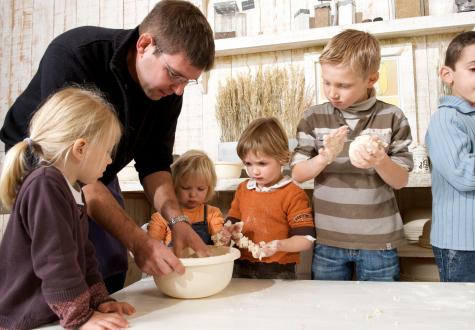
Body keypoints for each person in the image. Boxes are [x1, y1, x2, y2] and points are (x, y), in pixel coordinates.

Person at [0, 0, 215, 292]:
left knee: (110, 261)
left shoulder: (168, 93)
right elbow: (73, 172)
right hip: (44, 164)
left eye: (187, 82)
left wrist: (178, 221)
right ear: (144, 44)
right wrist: (139, 242)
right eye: (174, 75)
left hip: (95, 168)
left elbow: (155, 165)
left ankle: (102, 308)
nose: (178, 90)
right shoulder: (75, 54)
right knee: (61, 258)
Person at [0, 87, 135, 329]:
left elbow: (84, 253)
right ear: (80, 148)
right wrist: (80, 317)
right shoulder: (45, 185)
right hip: (24, 320)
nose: (110, 160)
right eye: (106, 150)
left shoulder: (70, 188)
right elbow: (56, 259)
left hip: (47, 316)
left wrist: (99, 301)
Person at [291, 29, 413, 281]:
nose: (332, 93)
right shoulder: (314, 117)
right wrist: (325, 156)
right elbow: (298, 174)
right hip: (328, 241)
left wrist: (380, 160)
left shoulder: (392, 117)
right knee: (330, 314)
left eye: (343, 85)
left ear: (371, 79)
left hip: (379, 243)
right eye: (327, 82)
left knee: (379, 312)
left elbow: (400, 180)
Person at [223, 117, 315, 279]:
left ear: (282, 158)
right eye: (248, 164)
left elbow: (305, 239)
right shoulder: (243, 189)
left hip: (279, 269)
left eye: (262, 163)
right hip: (241, 266)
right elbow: (232, 221)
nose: (254, 172)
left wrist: (280, 245)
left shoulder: (293, 193)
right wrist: (227, 230)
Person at [425, 31, 475, 282]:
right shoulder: (446, 118)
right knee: (463, 314)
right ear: (448, 75)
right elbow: (464, 175)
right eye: (474, 69)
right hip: (462, 244)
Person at [147, 149, 225, 246]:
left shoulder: (212, 214)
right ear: (174, 186)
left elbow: (221, 244)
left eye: (200, 189)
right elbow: (152, 246)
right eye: (186, 188)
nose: (193, 194)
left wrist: (226, 235)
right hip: (175, 261)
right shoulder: (162, 217)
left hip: (206, 261)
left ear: (209, 189)